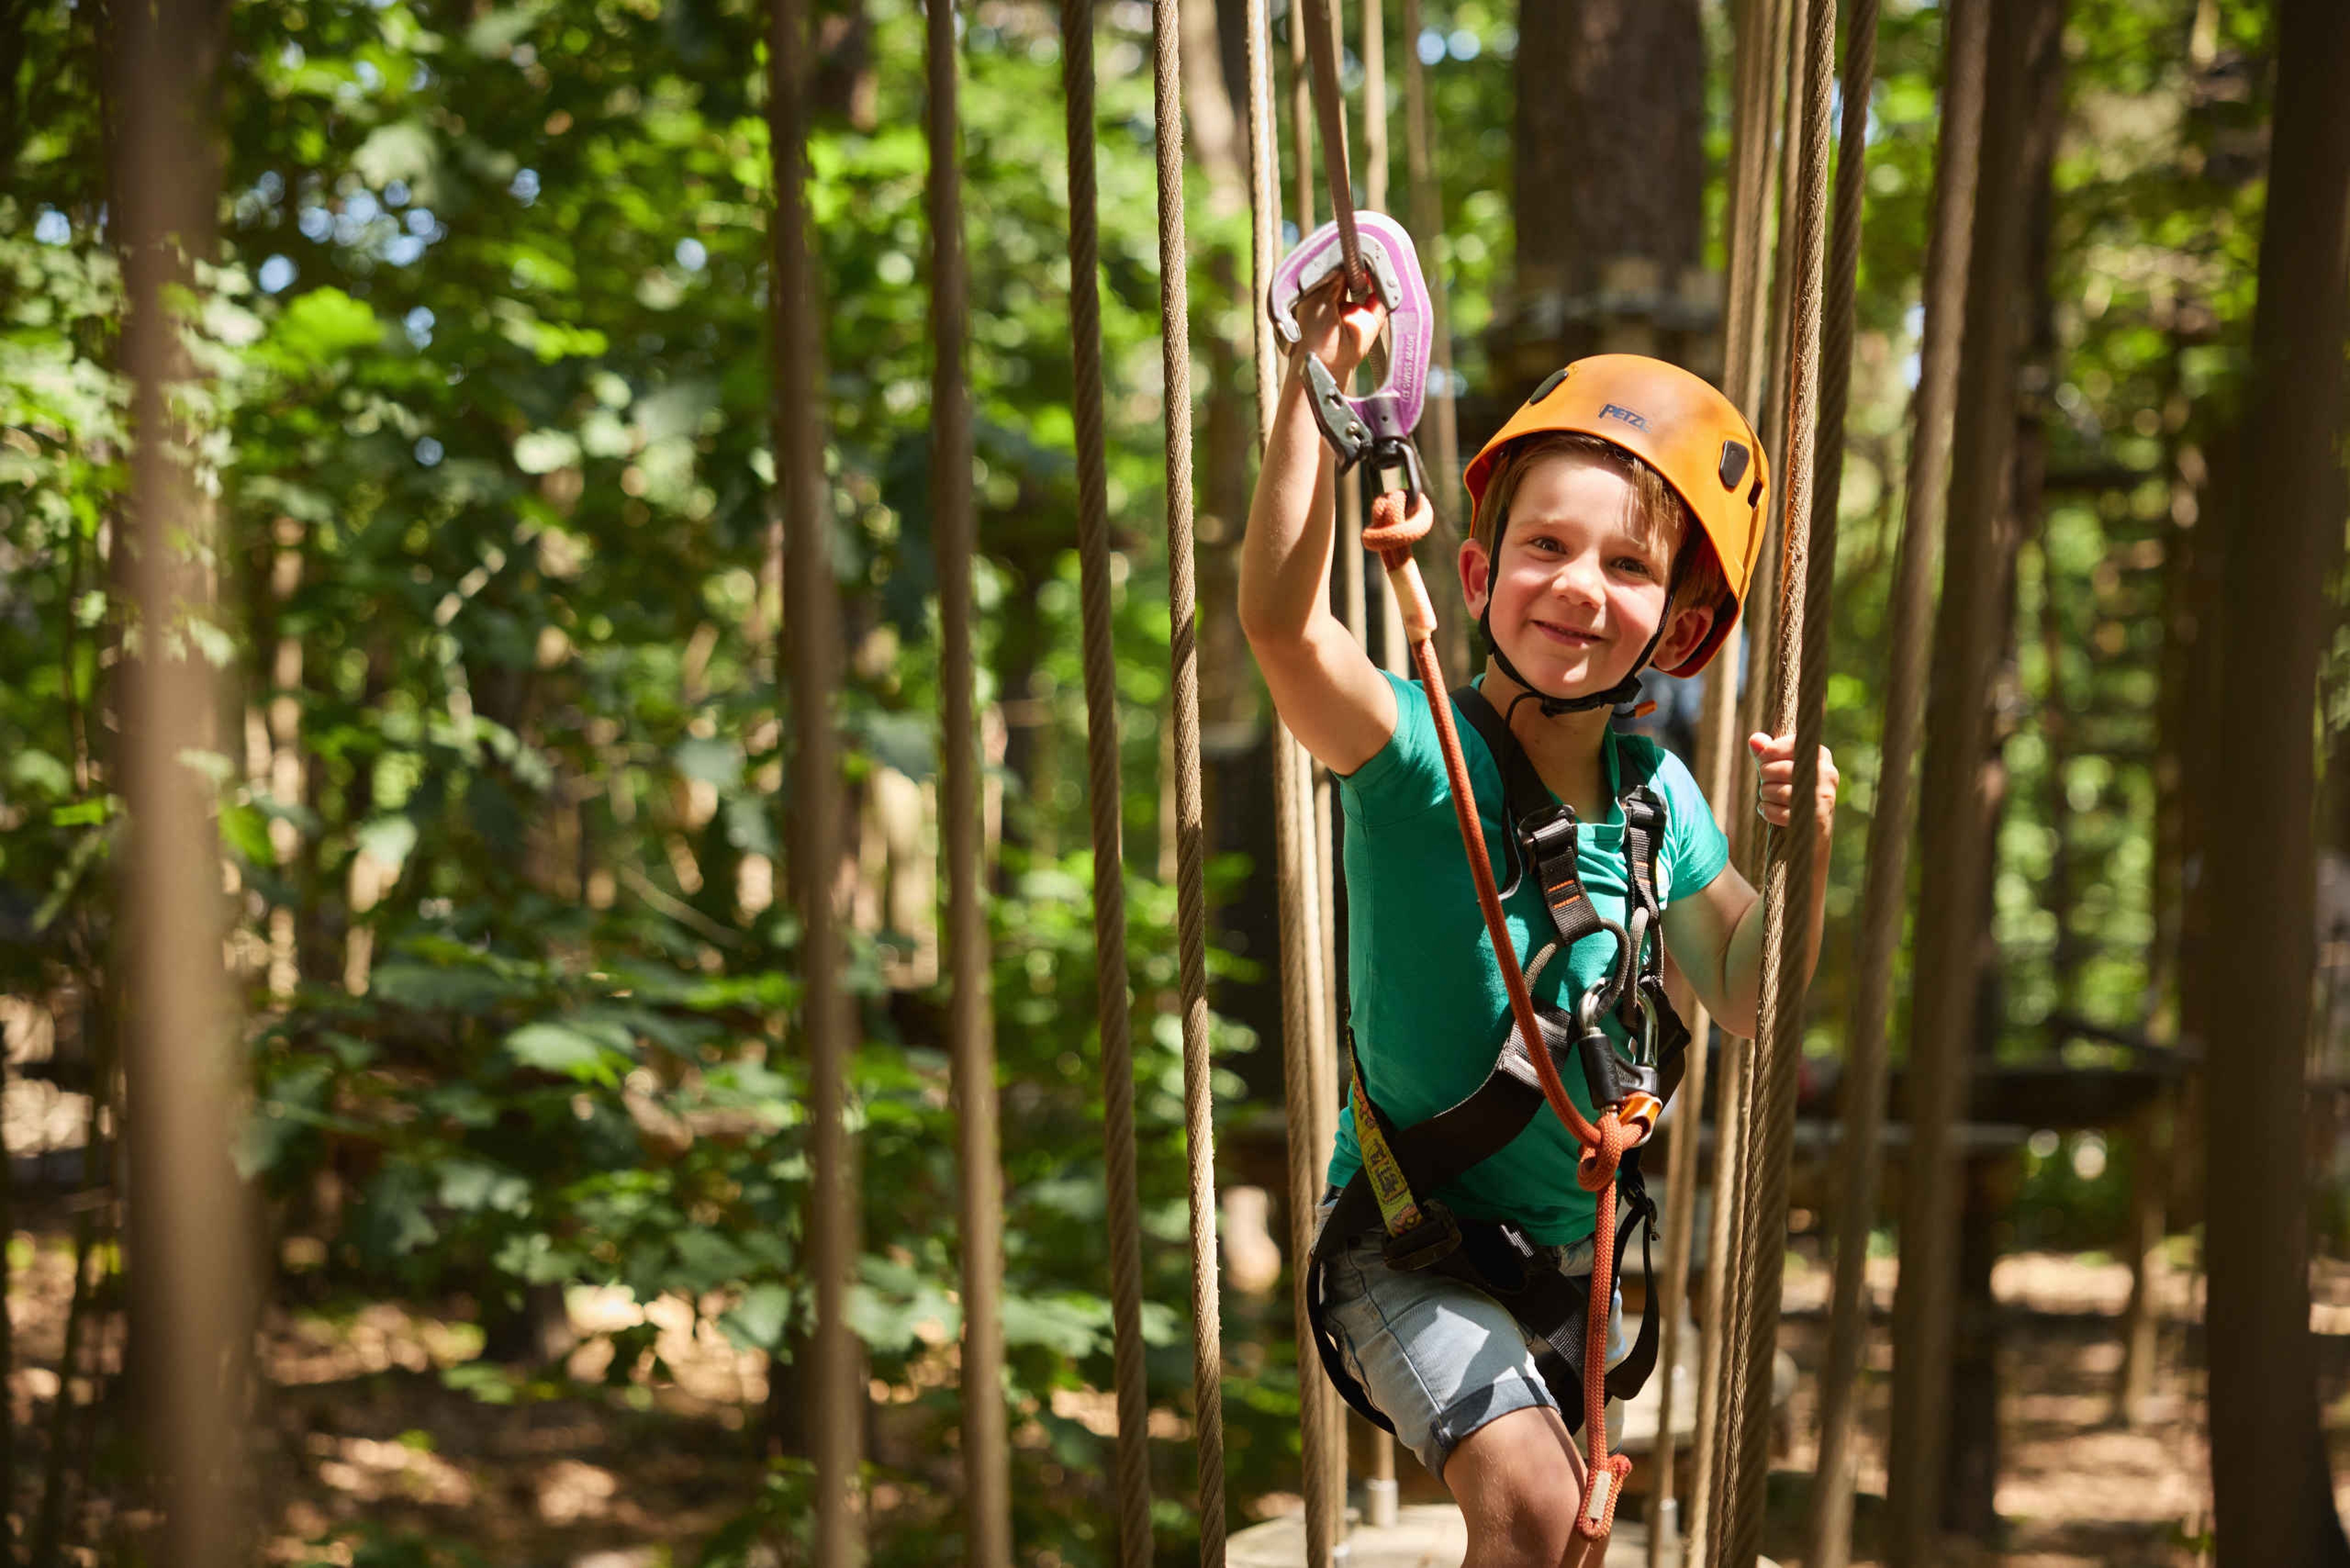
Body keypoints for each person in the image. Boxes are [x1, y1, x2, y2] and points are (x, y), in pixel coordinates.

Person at [1237, 282, 1839, 1568]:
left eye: (1628, 566)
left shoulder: (1658, 801)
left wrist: (1811, 852)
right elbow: (1282, 629)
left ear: (1676, 631)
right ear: (1477, 573)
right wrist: (1315, 383)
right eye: (1546, 549)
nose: (1579, 587)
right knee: (1533, 1511)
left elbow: (1747, 997)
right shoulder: (1414, 759)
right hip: (1408, 1251)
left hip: (1572, 1271)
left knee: (1557, 1543)